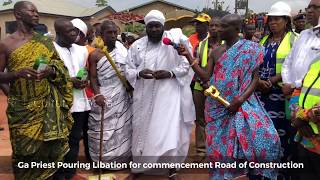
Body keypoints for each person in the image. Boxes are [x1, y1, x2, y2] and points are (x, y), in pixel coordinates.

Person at [180, 14, 281, 180]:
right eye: (218, 26)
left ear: (236, 29)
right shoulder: (216, 51)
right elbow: (206, 76)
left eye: (223, 26)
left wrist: (239, 100)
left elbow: (255, 79)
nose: (218, 29)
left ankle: (253, 172)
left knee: (266, 137)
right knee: (219, 146)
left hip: (243, 103)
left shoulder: (251, 49)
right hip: (218, 105)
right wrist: (188, 56)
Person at [0, 1, 73, 179]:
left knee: (52, 153)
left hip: (47, 105)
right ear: (18, 14)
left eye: (37, 11)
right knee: (25, 154)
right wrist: (17, 74)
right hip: (22, 111)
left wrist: (50, 70)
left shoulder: (45, 42)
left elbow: (60, 67)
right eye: (31, 11)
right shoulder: (6, 44)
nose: (36, 14)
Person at [126, 10, 195, 180]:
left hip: (168, 95)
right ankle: (140, 167)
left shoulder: (173, 42)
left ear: (163, 26)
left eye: (158, 26)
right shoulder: (137, 45)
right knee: (141, 129)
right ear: (146, 28)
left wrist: (171, 73)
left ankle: (171, 169)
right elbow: (128, 67)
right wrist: (139, 73)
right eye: (151, 26)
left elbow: (186, 63)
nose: (155, 30)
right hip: (144, 94)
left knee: (169, 130)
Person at [256, 3, 298, 178]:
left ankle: (282, 172)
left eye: (277, 19)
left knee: (283, 134)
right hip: (261, 95)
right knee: (263, 133)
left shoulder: (295, 39)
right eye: (271, 19)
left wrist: (274, 79)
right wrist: (258, 81)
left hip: (283, 97)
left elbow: (297, 66)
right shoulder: (263, 40)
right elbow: (255, 65)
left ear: (286, 21)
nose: (273, 22)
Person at [87, 20, 132, 165]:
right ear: (101, 35)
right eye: (109, 33)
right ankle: (103, 162)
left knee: (122, 128)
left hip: (122, 94)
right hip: (104, 95)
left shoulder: (124, 52)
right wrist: (97, 94)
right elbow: (93, 77)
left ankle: (122, 159)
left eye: (115, 32)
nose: (113, 35)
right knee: (103, 130)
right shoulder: (95, 55)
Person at [52, 19, 91, 180]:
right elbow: (42, 75)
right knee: (58, 141)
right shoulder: (49, 49)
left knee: (74, 140)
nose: (75, 34)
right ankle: (56, 174)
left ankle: (69, 173)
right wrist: (69, 81)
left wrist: (83, 80)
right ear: (59, 34)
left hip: (79, 103)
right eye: (70, 31)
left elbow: (83, 70)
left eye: (75, 30)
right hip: (58, 104)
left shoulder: (82, 50)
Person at [192, 17, 221, 162]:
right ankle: (201, 151)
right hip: (200, 87)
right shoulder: (201, 45)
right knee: (200, 120)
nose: (214, 28)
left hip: (219, 89)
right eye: (212, 25)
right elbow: (196, 66)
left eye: (217, 25)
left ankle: (216, 150)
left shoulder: (227, 45)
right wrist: (203, 82)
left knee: (218, 119)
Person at [282, 0, 320, 95]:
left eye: (315, 7)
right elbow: (288, 61)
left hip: (313, 99)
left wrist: (295, 85)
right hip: (293, 95)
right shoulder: (303, 34)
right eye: (308, 8)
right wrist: (287, 82)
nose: (309, 11)